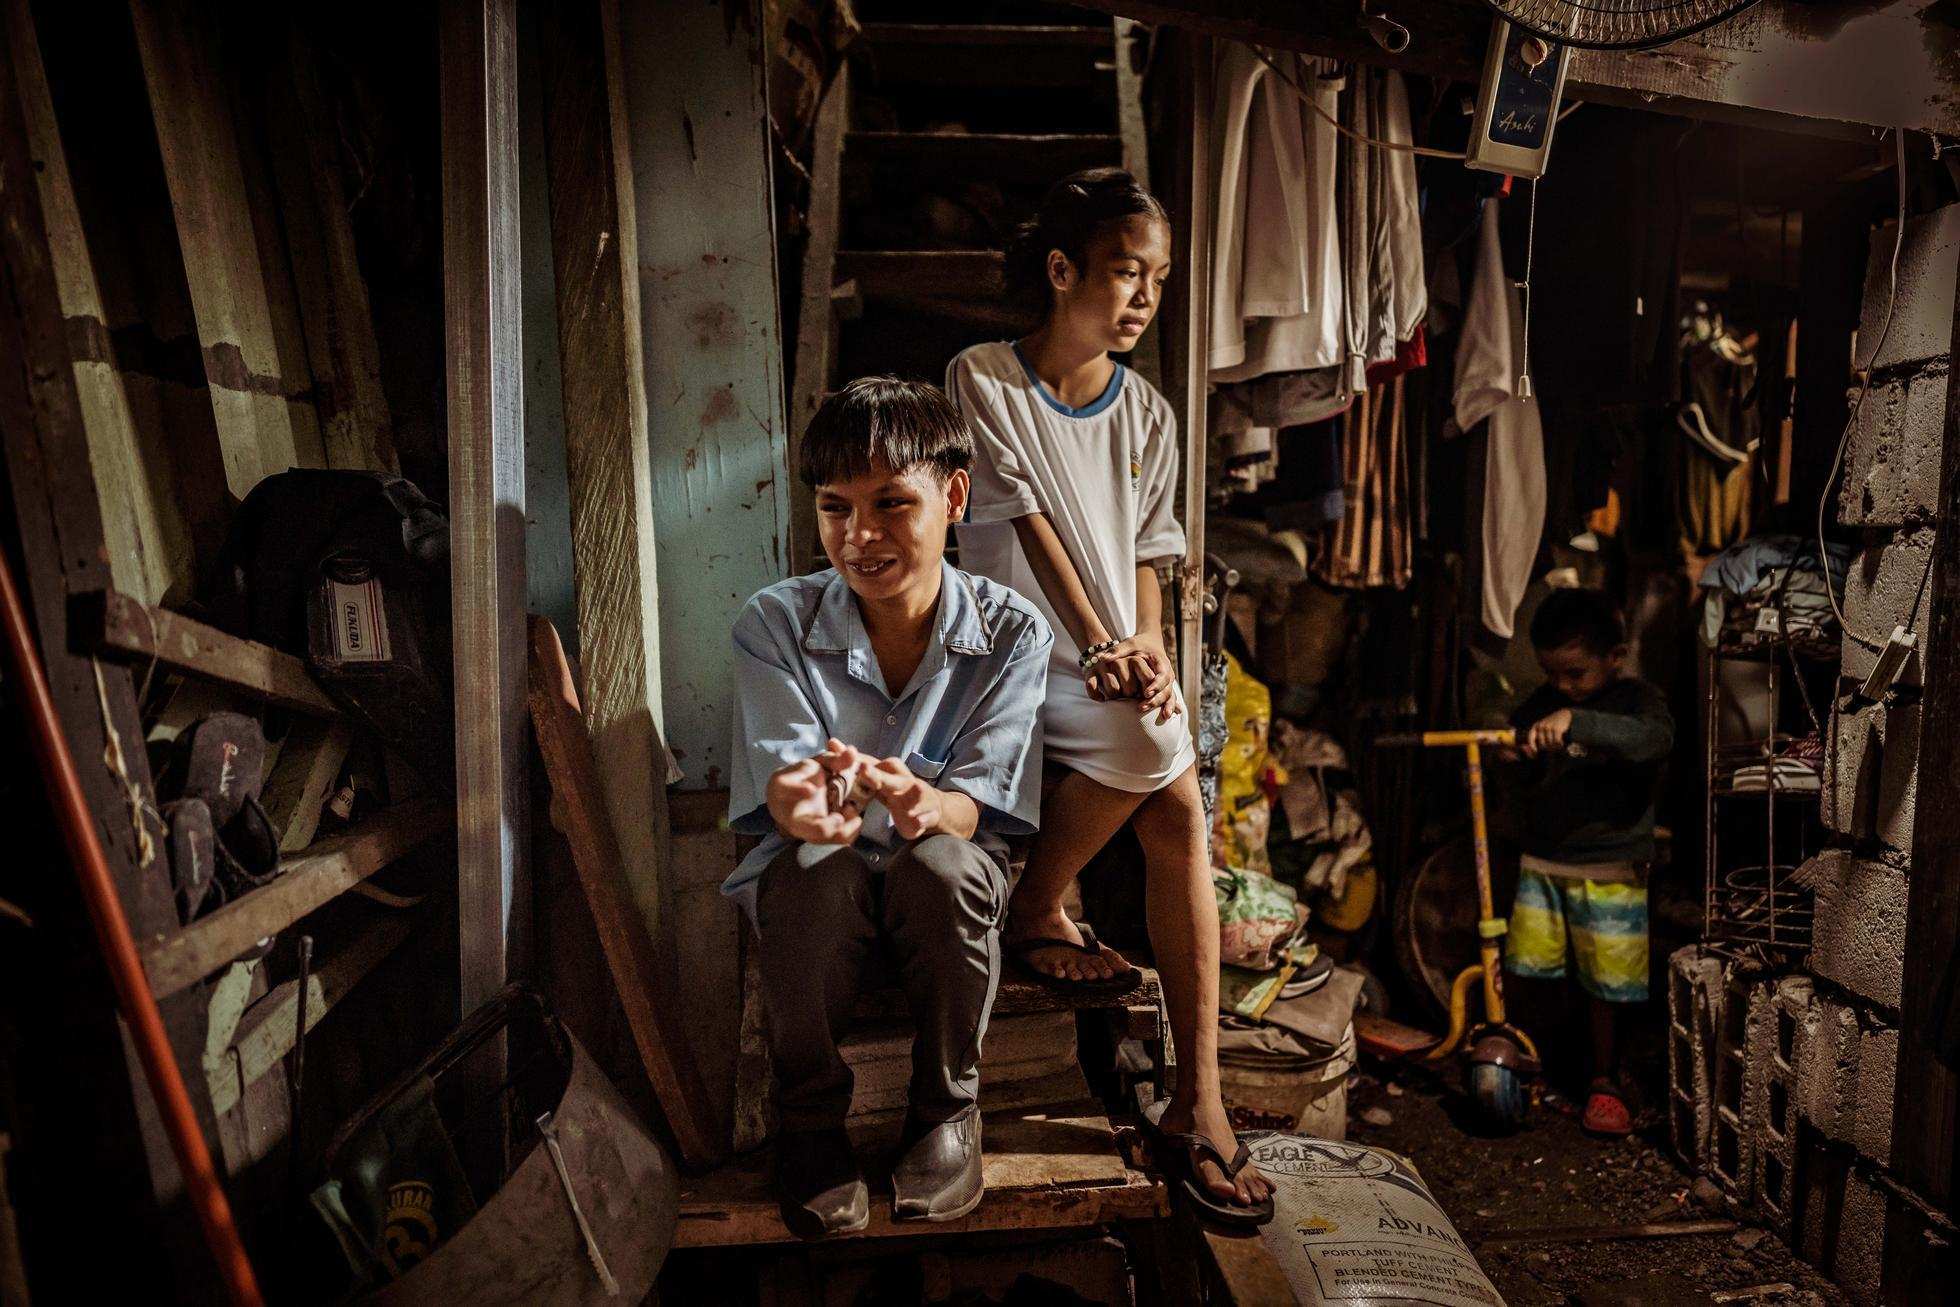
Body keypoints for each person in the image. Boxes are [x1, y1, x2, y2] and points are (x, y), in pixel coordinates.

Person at [946, 167, 1273, 1226]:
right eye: (1128, 271)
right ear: (1062, 270)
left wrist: (1145, 645)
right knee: (1155, 756)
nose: (1144, 297)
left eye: (1158, 279)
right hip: (1009, 653)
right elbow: (1029, 524)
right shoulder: (984, 378)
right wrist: (1099, 647)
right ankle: (1040, 901)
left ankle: (1198, 1094)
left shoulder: (1148, 412)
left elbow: (1148, 553)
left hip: (1102, 655)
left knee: (1178, 802)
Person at [724, 377, 1052, 1237]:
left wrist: (924, 802)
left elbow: (978, 811)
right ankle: (808, 1121)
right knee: (810, 872)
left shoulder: (1013, 632)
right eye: (835, 508)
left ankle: (946, 1112)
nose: (859, 536)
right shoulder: (774, 623)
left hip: (938, 870)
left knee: (942, 866)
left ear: (954, 496)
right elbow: (787, 790)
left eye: (891, 504)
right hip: (825, 879)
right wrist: (810, 804)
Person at [1501, 587, 1674, 1136]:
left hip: (1610, 868)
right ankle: (1545, 1069)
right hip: (1544, 862)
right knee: (1535, 973)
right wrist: (1518, 755)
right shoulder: (1541, 704)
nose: (1562, 686)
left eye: (1575, 673)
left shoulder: (1637, 702)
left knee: (1609, 984)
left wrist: (1578, 720)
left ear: (1615, 657)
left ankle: (1606, 1079)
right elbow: (1526, 769)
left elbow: (1654, 741)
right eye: (1552, 674)